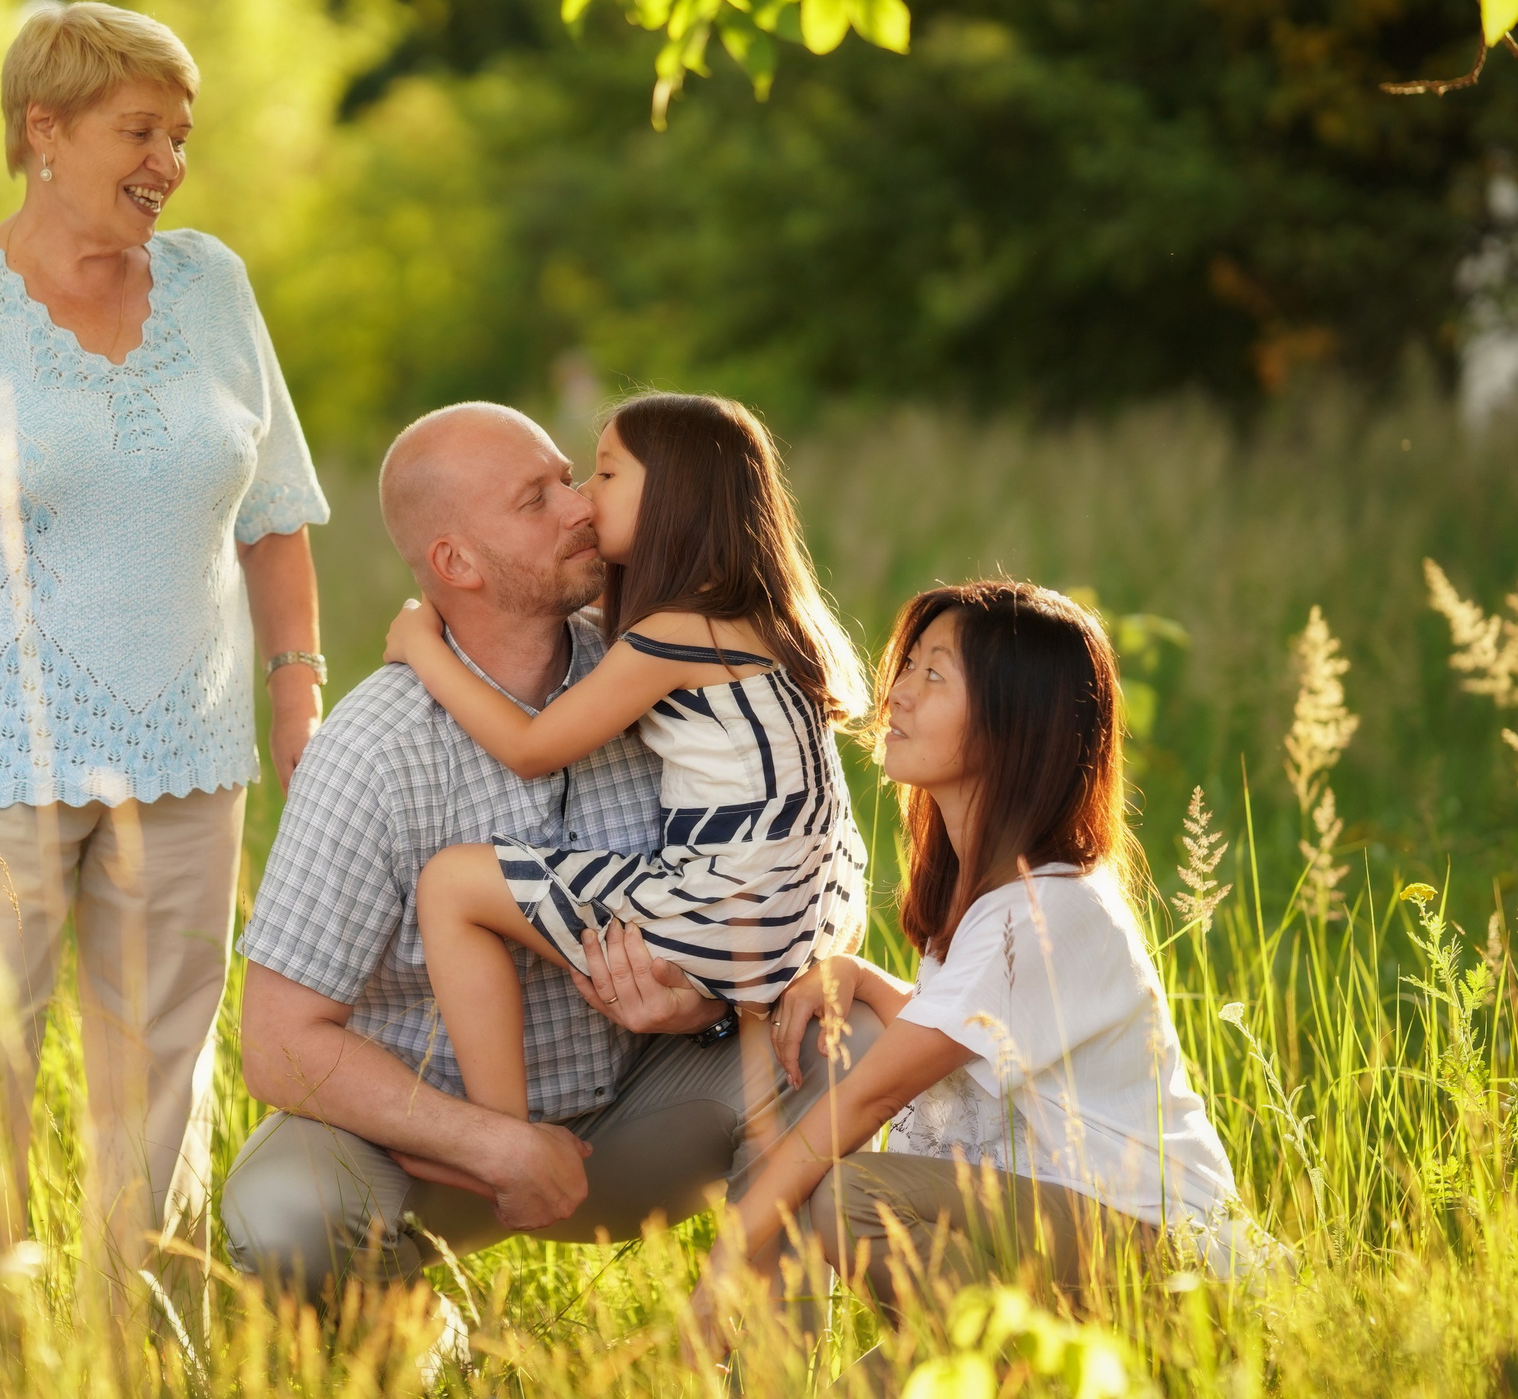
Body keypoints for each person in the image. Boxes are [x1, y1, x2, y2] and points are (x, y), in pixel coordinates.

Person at [0, 0, 330, 1346]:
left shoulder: (211, 285)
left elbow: (276, 511)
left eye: (180, 135)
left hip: (192, 757)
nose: (169, 161)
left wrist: (296, 696)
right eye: (138, 130)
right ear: (44, 129)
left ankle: (139, 1353)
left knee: (163, 1080)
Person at [221, 402, 883, 1294]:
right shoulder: (374, 745)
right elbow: (275, 1043)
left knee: (851, 1036)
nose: (578, 505)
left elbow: (790, 854)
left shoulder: (647, 668)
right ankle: (409, 1337)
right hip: (441, 1154)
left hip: (638, 1115)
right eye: (537, 499)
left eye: (576, 477)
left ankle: (768, 1369)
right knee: (287, 1216)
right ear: (454, 561)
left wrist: (706, 1002)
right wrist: (493, 1141)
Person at [691, 580, 1253, 1350]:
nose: (897, 696)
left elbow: (864, 1100)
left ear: (1012, 724)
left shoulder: (1042, 914)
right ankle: (985, 1361)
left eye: (934, 675)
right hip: (1074, 1250)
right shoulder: (988, 904)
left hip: (1163, 1266)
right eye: (907, 665)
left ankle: (1023, 1369)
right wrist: (864, 979)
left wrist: (720, 1273)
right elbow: (978, 1044)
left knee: (850, 1195)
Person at [383, 392, 871, 1122]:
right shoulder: (760, 618)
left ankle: (502, 1130)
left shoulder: (676, 633)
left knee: (453, 884)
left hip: (726, 910)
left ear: (672, 498)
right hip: (805, 914)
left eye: (604, 475)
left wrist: (424, 648)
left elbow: (529, 747)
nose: (581, 501)